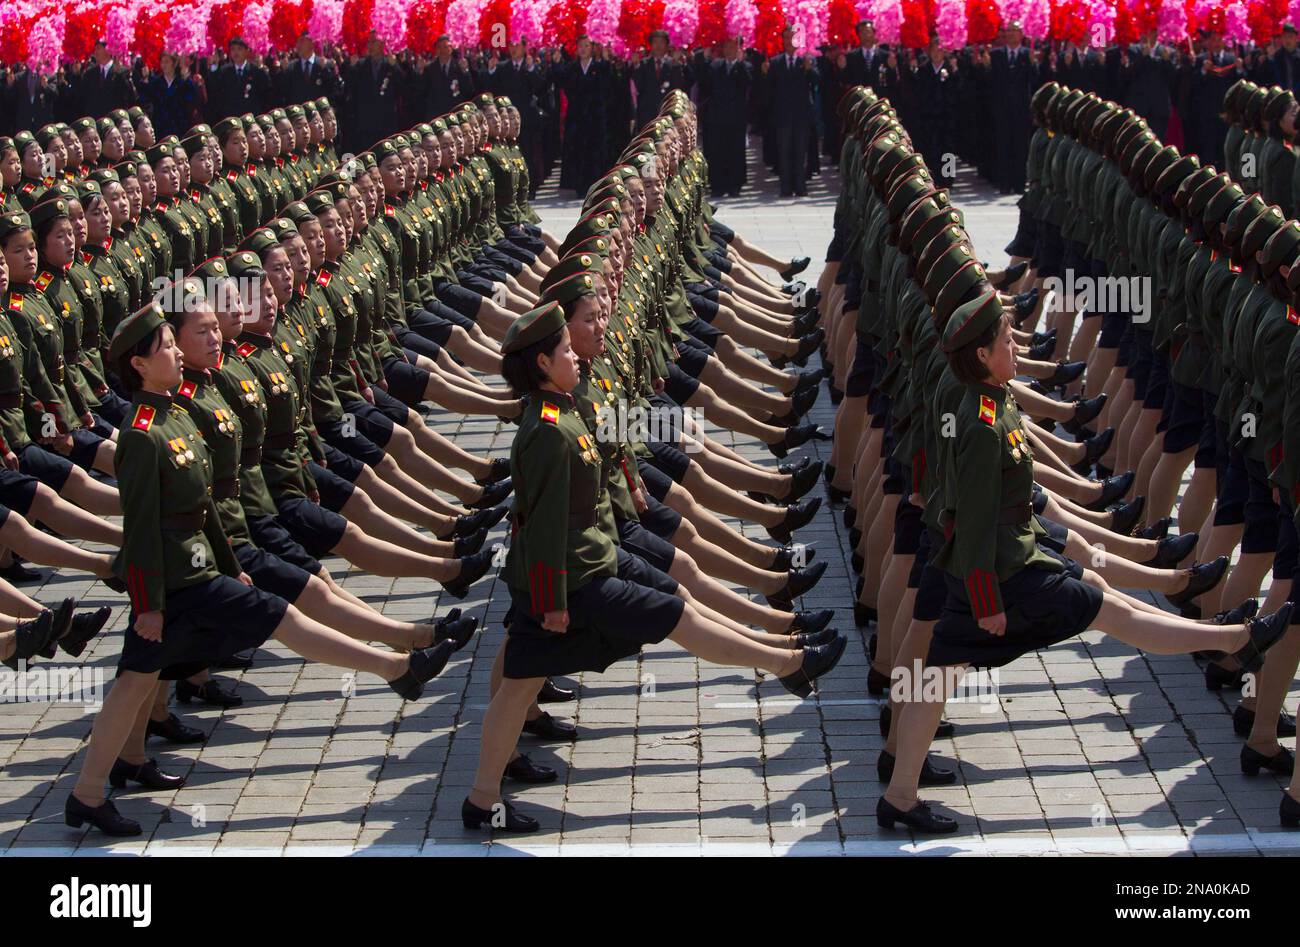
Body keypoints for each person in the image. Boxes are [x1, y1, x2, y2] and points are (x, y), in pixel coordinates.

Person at [878, 293, 1295, 834]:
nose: (1014, 345)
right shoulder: (981, 422)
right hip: (1004, 576)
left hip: (999, 560)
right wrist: (988, 604)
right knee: (1106, 612)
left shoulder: (973, 396)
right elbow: (977, 519)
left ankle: (900, 794)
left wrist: (932, 504)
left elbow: (931, 459)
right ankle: (1233, 640)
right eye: (1005, 341)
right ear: (981, 355)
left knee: (935, 679)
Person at [63, 296, 459, 838]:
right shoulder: (138, 435)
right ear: (138, 363)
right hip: (177, 581)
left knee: (136, 681)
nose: (179, 352)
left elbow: (203, 505)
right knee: (280, 618)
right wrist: (148, 605)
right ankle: (396, 669)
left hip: (201, 569)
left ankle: (106, 780)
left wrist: (232, 563)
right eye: (168, 346)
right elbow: (142, 530)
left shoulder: (176, 414)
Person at [462, 304, 847, 833]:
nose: (577, 354)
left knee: (523, 679)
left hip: (588, 560)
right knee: (668, 618)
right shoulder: (548, 429)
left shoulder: (563, 408)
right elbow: (545, 523)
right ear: (544, 365)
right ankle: (787, 664)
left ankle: (484, 798)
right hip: (573, 580)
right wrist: (552, 603)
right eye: (567, 351)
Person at [765, 28, 816, 198]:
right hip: (783, 116)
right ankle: (785, 187)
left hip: (801, 116)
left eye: (792, 37)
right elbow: (769, 90)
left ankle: (800, 187)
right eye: (786, 37)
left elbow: (817, 81)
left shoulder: (805, 60)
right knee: (784, 153)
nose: (789, 41)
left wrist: (810, 70)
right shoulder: (776, 62)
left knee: (800, 153)